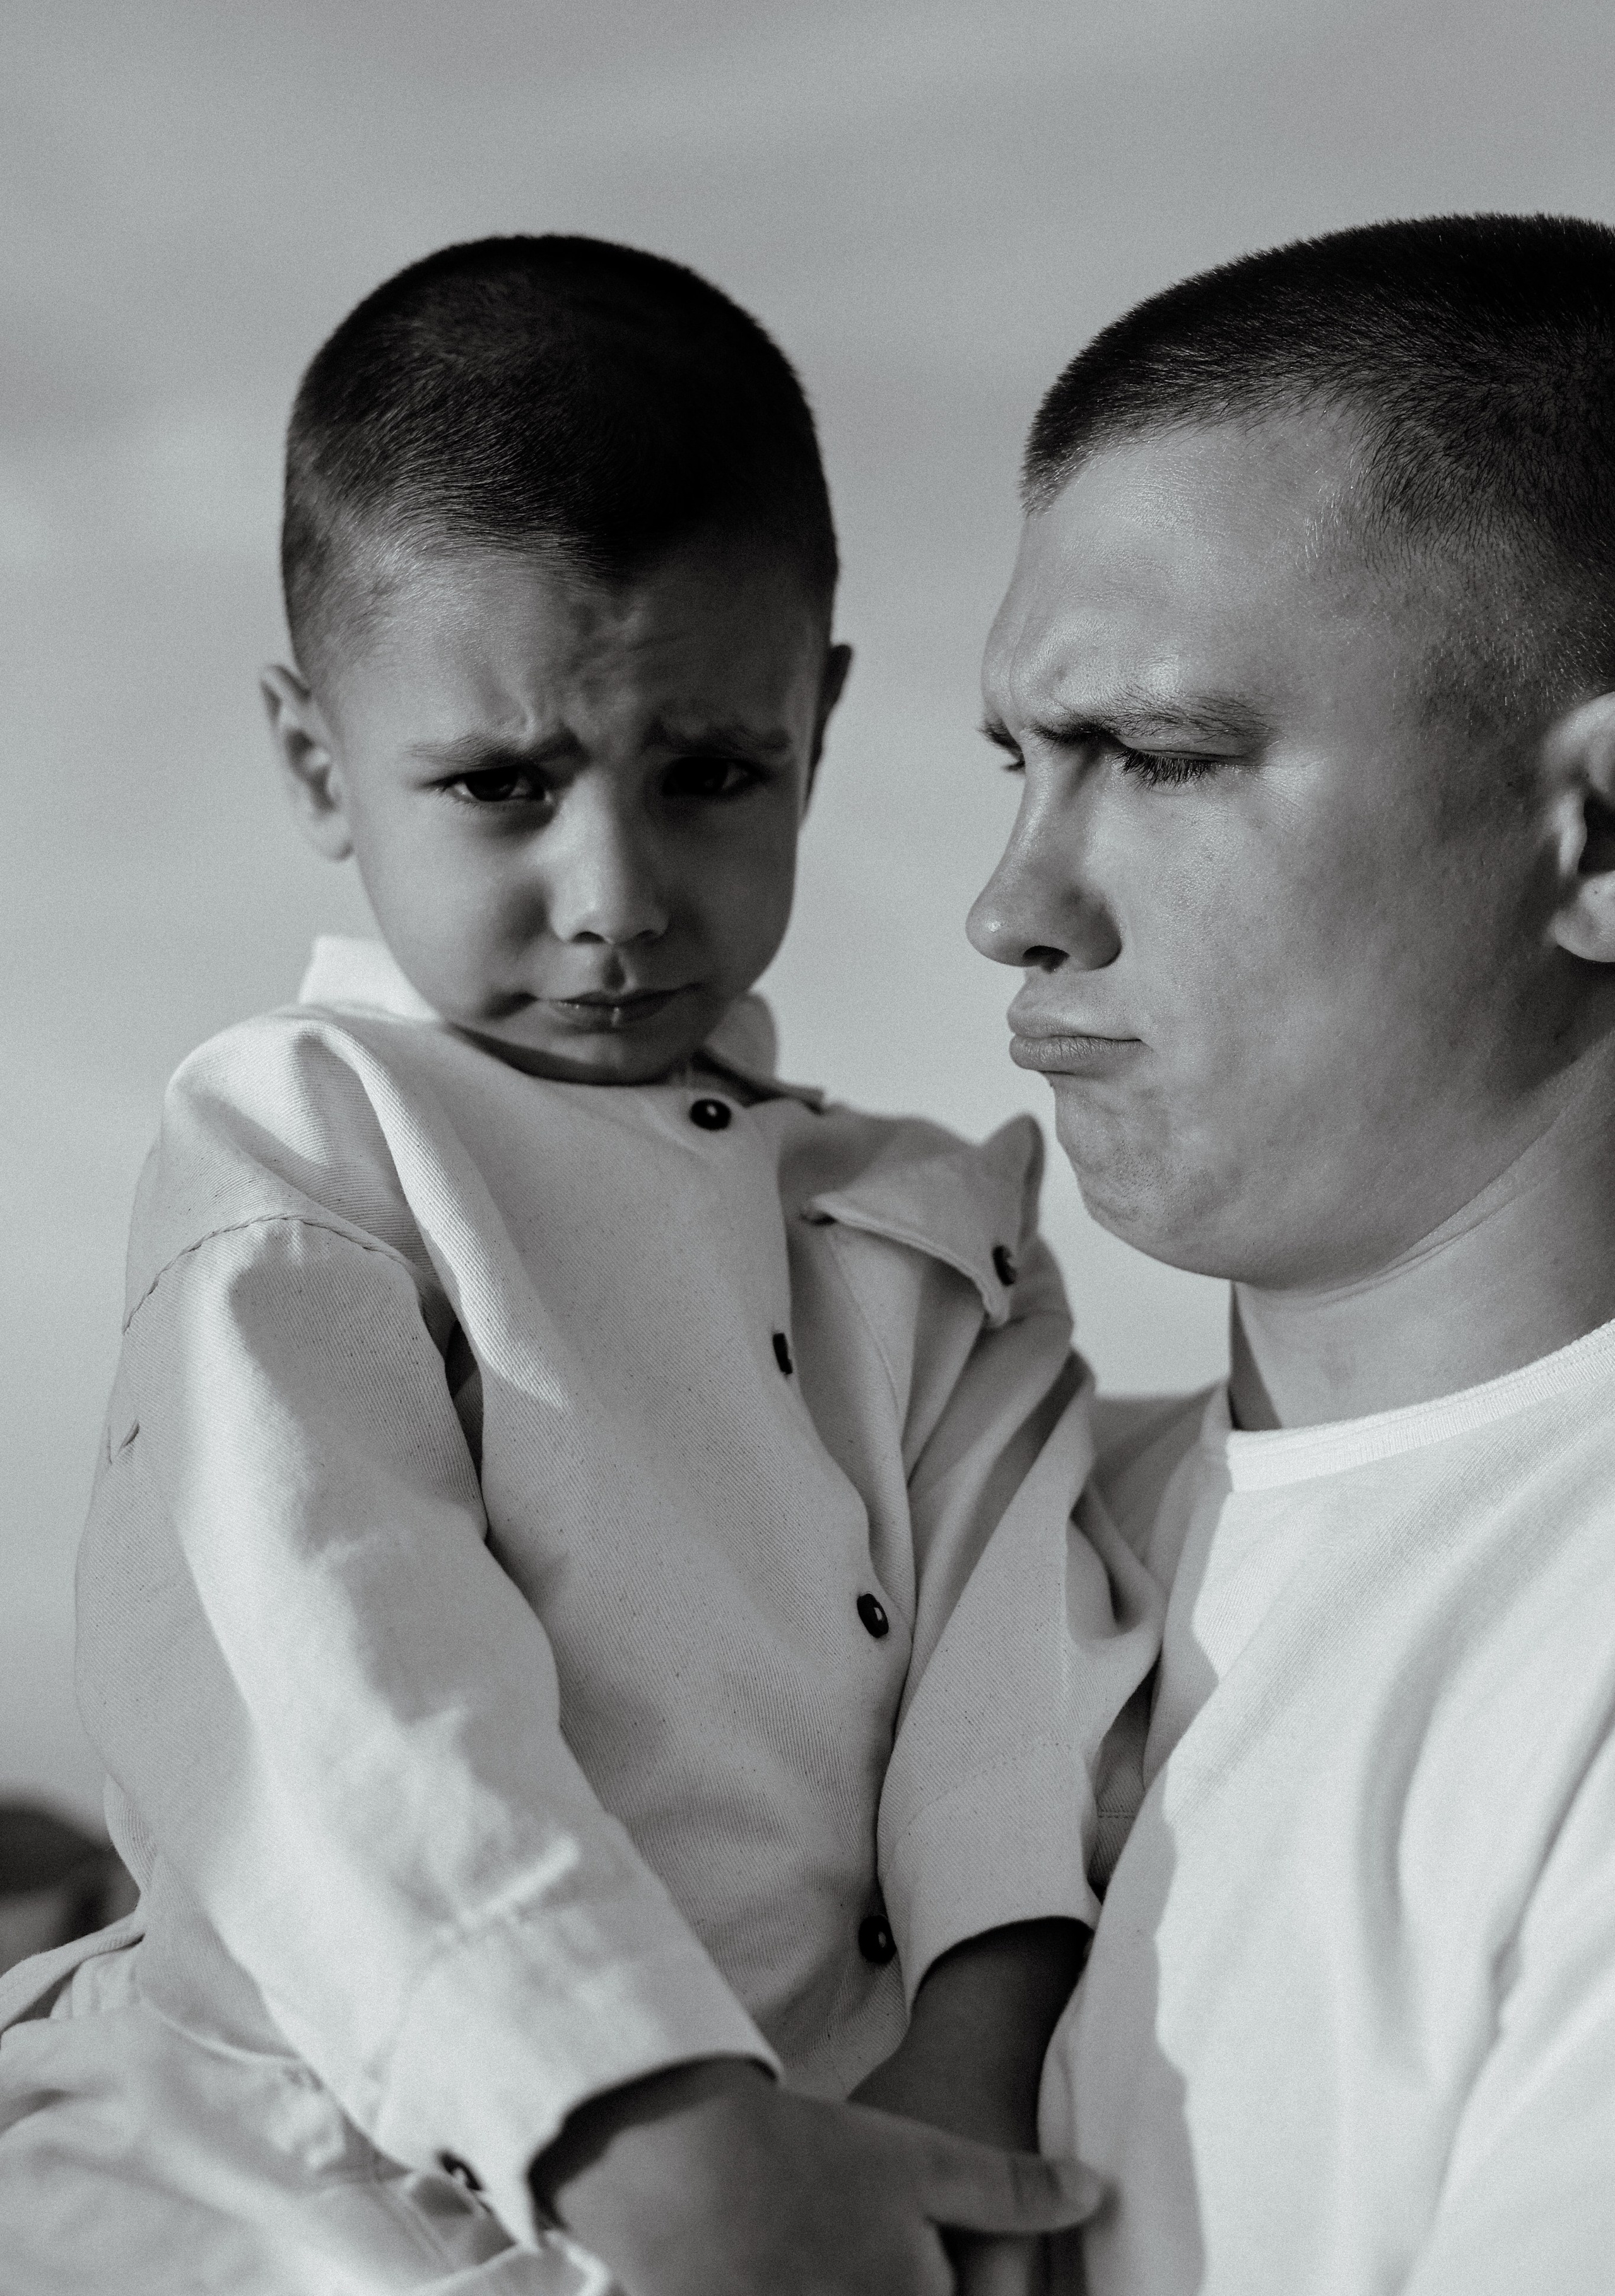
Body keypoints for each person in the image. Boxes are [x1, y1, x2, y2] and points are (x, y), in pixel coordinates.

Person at [0, 238, 1141, 2295]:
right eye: (501, 787)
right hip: (302, 2165)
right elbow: (326, 1672)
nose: (612, 897)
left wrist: (968, 2080)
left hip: (830, 2159)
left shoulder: (934, 1226)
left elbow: (1012, 1700)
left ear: (821, 720)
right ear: (314, 760)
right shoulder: (304, 1137)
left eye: (709, 773)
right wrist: (639, 2129)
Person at [966, 212, 1615, 2294]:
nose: (1015, 904)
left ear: (1595, 836)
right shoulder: (926, 1530)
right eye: (1020, 763)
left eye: (1156, 757)